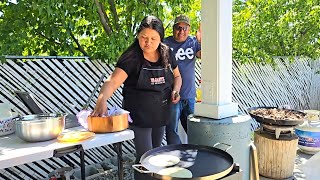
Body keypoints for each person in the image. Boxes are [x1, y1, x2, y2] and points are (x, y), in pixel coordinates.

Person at [91, 15, 182, 179]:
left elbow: (177, 76)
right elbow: (112, 81)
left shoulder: (167, 53)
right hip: (139, 115)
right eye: (144, 38)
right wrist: (102, 99)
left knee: (156, 155)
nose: (148, 43)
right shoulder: (132, 57)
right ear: (138, 36)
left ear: (160, 38)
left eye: (153, 38)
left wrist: (176, 90)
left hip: (160, 113)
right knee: (145, 159)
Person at [164, 14, 201, 144]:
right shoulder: (165, 43)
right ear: (174, 28)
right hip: (172, 96)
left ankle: (194, 158)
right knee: (171, 130)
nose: (181, 31)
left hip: (190, 95)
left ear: (189, 30)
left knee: (194, 131)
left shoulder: (193, 42)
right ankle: (175, 159)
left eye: (185, 28)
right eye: (179, 28)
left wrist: (201, 40)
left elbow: (204, 55)